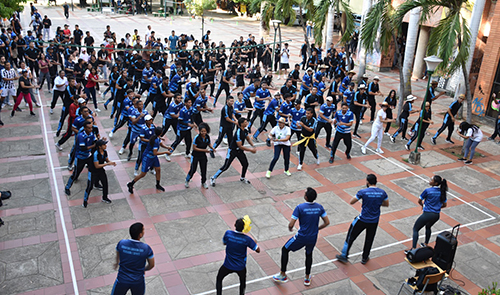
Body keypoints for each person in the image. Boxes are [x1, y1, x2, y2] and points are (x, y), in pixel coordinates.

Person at [273, 187, 330, 286]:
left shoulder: (300, 207)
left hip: (301, 237)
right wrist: (317, 229)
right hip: (313, 237)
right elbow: (327, 222)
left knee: (285, 249)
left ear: (306, 197)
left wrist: (290, 227)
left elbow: (291, 224)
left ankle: (283, 274)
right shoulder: (319, 207)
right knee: (309, 254)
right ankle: (307, 278)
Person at [336, 174, 389, 264]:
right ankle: (364, 258)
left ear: (367, 182)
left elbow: (352, 201)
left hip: (363, 219)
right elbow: (386, 204)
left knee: (351, 236)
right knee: (369, 239)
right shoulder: (382, 192)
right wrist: (377, 203)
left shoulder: (363, 192)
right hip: (374, 221)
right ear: (376, 182)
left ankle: (344, 255)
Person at [216, 218, 260, 295]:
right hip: (240, 266)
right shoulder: (247, 239)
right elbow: (258, 250)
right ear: (244, 228)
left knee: (219, 279)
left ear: (234, 225)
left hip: (227, 265)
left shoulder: (228, 234)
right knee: (242, 281)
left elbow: (224, 243)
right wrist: (254, 242)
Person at [406, 175, 447, 253]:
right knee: (428, 227)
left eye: (431, 179)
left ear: (435, 183)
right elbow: (444, 205)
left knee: (416, 229)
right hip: (436, 215)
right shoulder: (442, 192)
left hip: (427, 214)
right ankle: (425, 243)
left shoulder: (427, 191)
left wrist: (423, 205)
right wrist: (436, 208)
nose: (429, 180)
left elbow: (419, 201)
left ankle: (413, 249)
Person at [210, 117, 257, 186]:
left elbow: (247, 138)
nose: (246, 123)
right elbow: (240, 146)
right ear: (241, 124)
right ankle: (213, 177)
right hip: (232, 151)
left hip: (239, 151)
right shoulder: (238, 133)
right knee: (226, 166)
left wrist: (253, 146)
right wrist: (251, 150)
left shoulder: (245, 130)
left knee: (245, 164)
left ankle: (242, 177)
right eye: (245, 122)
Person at [112, 222, 155, 295]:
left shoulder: (122, 243)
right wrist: (144, 269)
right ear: (140, 234)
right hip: (138, 281)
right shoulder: (146, 248)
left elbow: (118, 253)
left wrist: (117, 263)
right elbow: (151, 265)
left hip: (122, 280)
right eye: (143, 230)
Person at [127, 127, 172, 194]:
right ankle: (131, 184)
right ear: (161, 133)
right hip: (147, 157)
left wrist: (167, 147)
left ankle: (158, 184)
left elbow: (161, 144)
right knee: (143, 174)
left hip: (153, 157)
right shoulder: (155, 140)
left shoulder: (156, 137)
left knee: (158, 169)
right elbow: (155, 152)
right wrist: (166, 152)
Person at [65, 121, 96, 196]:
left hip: (88, 156)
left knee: (94, 170)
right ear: (84, 128)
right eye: (89, 128)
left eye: (91, 127)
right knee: (75, 173)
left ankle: (95, 183)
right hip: (80, 157)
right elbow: (83, 148)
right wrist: (93, 146)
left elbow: (95, 140)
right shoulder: (81, 136)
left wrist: (99, 142)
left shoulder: (91, 134)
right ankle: (67, 187)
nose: (91, 129)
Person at [82, 140, 116, 208]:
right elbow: (96, 166)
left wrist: (111, 162)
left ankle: (104, 197)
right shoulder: (96, 154)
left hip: (100, 171)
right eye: (104, 145)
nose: (106, 146)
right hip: (93, 172)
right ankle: (85, 200)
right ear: (100, 146)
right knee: (89, 187)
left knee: (105, 183)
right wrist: (107, 164)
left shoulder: (105, 152)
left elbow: (106, 159)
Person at [185, 123, 215, 189]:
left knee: (203, 169)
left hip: (203, 156)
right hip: (195, 156)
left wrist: (212, 148)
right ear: (199, 131)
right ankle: (187, 180)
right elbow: (194, 148)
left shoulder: (207, 137)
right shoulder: (197, 138)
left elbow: (209, 143)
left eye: (204, 131)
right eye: (202, 131)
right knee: (193, 169)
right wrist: (205, 150)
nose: (203, 132)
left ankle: (203, 182)